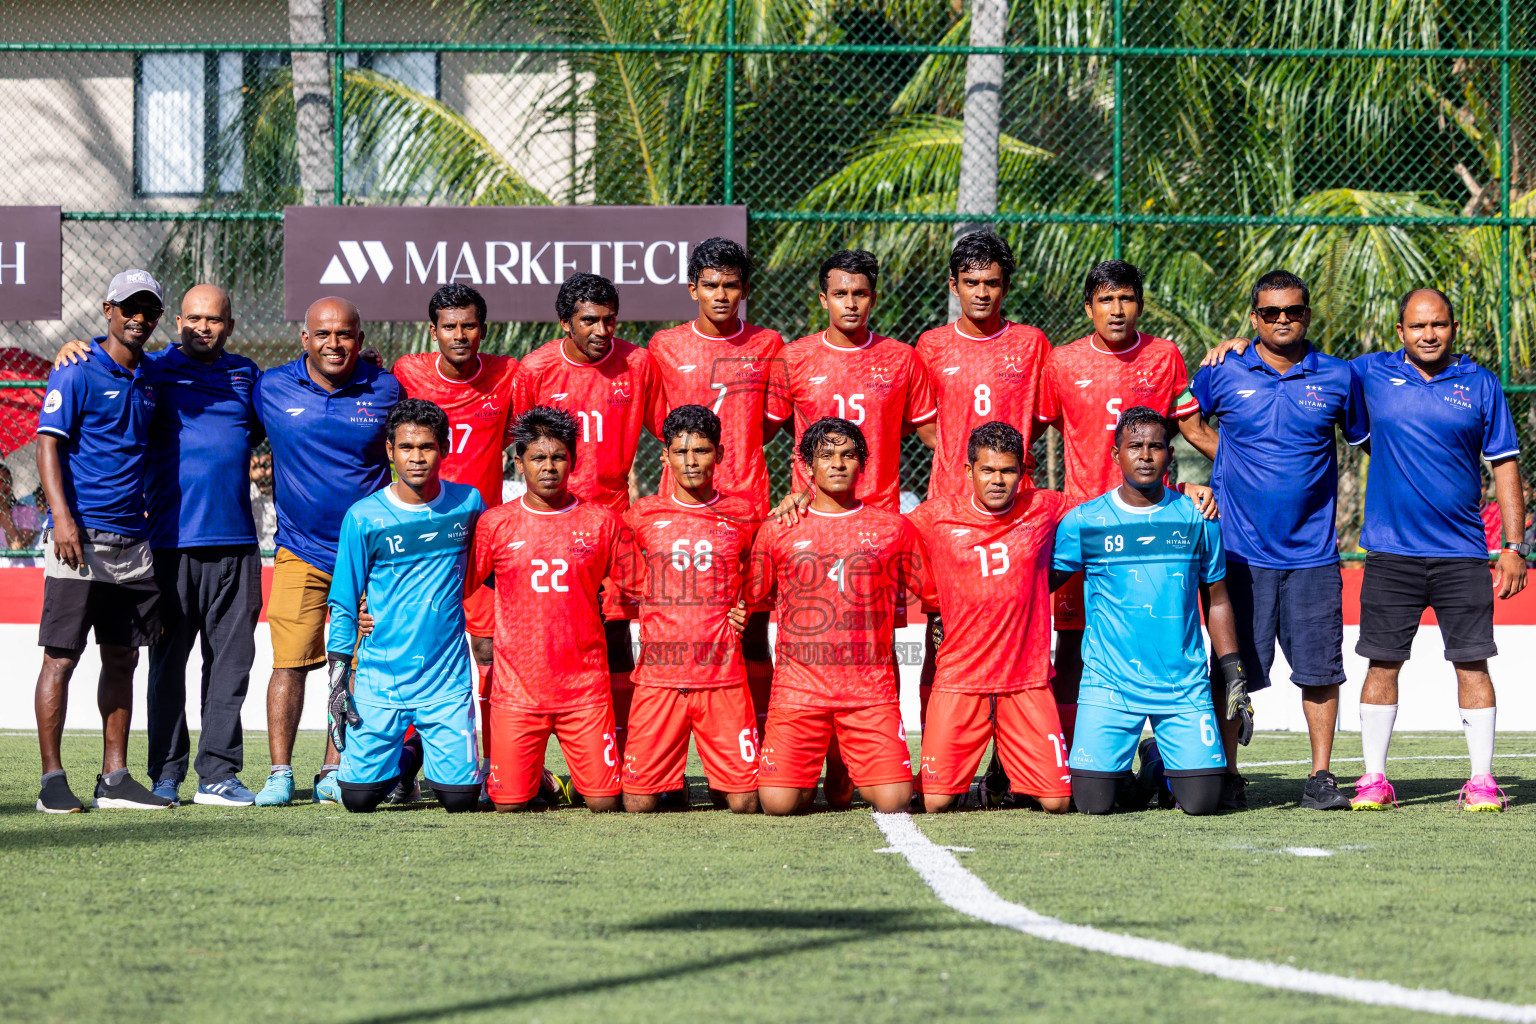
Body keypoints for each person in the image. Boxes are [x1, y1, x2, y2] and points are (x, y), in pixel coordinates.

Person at [51, 285, 268, 807]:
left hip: (238, 543)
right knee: (167, 664)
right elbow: (107, 362)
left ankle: (218, 774)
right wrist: (71, 347)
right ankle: (166, 772)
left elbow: (278, 411)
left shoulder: (248, 375)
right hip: (168, 545)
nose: (202, 327)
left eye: (214, 319)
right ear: (177, 323)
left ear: (230, 325)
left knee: (231, 664)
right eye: (192, 318)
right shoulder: (152, 371)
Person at [1182, 270, 1369, 810]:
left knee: (1320, 670)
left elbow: (1366, 440)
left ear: (1307, 315)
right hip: (1239, 554)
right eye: (1270, 313)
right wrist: (1230, 468)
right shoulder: (1223, 369)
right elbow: (1187, 424)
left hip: (1313, 556)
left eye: (1292, 311)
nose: (1282, 320)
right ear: (1254, 316)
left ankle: (1320, 777)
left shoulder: (1338, 376)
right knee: (1233, 671)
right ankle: (1230, 775)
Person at [1347, 288, 1525, 812]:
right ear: (1399, 332)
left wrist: (1513, 545)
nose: (1429, 334)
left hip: (1463, 554)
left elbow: (1506, 466)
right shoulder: (1368, 375)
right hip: (1390, 553)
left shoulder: (1480, 384)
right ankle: (1374, 779)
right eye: (1418, 326)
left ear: (1453, 328)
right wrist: (1243, 343)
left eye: (1439, 325)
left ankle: (1482, 781)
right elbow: (1299, 359)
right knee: (1382, 663)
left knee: (1472, 664)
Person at [1035, 260, 1208, 774]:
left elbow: (1193, 430)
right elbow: (1031, 437)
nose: (1117, 309)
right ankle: (1072, 755)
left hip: (1154, 527)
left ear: (1139, 303)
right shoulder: (1061, 363)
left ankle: (1166, 750)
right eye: (1106, 300)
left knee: (1162, 634)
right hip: (1083, 529)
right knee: (1071, 641)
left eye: (1126, 298)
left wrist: (1235, 474)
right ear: (1088, 307)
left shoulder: (1165, 356)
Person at [1051, 406, 1242, 816]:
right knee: (1092, 804)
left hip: (1182, 686)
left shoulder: (1198, 516)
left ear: (1170, 456)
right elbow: (1034, 586)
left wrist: (1233, 672)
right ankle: (1140, 768)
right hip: (1109, 684)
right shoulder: (1084, 523)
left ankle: (1157, 763)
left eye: (1156, 446)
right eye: (1134, 446)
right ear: (1115, 453)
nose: (1145, 455)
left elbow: (1219, 600)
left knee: (1203, 803)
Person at [252, 296, 402, 806]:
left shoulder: (386, 388)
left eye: (344, 334)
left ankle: (333, 769)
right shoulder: (270, 387)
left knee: (355, 666)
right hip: (300, 551)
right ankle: (278, 772)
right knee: (289, 664)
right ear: (305, 340)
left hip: (371, 559)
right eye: (323, 334)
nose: (334, 344)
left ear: (360, 339)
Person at [33, 269, 170, 812]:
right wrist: (62, 518)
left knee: (122, 659)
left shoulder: (155, 377)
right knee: (60, 660)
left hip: (134, 544)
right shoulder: (75, 370)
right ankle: (51, 781)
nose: (139, 317)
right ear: (107, 309)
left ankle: (114, 778)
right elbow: (47, 445)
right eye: (129, 307)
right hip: (79, 538)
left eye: (149, 310)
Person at [510, 272, 663, 760]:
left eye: (610, 320)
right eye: (590, 321)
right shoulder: (534, 371)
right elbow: (521, 447)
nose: (603, 330)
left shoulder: (638, 364)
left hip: (612, 521)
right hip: (547, 524)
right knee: (542, 635)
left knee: (616, 635)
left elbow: (667, 433)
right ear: (565, 323)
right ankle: (515, 757)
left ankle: (622, 752)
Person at [647, 238, 788, 735]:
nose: (721, 295)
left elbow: (770, 425)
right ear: (692, 289)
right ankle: (668, 743)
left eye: (731, 286)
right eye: (711, 286)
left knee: (748, 627)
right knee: (681, 623)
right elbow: (660, 426)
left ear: (745, 290)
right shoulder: (664, 347)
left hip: (748, 506)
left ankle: (763, 739)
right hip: (681, 513)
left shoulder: (769, 344)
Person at [747, 417, 920, 815]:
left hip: (867, 693)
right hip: (799, 692)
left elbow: (929, 590)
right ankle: (820, 751)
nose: (838, 464)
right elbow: (750, 597)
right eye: (826, 456)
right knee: (778, 804)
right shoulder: (780, 528)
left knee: (895, 801)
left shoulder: (893, 528)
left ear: (864, 463)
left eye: (848, 455)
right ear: (807, 466)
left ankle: (842, 762)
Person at [324, 399, 485, 814]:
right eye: (407, 448)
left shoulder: (469, 505)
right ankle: (407, 755)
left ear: (444, 449)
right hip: (382, 678)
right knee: (357, 800)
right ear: (390, 451)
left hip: (445, 681)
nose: (417, 458)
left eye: (427, 447)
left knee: (460, 800)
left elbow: (496, 567)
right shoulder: (363, 516)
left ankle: (416, 753)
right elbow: (343, 600)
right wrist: (339, 680)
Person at [906, 421, 1070, 813]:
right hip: (962, 675)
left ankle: (1006, 767)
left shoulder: (1044, 507)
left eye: (1008, 471)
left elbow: (1114, 502)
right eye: (988, 470)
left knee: (1057, 802)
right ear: (968, 471)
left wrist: (1182, 490)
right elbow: (878, 534)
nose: (998, 480)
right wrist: (802, 502)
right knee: (935, 802)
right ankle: (976, 770)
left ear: (1021, 473)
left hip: (1025, 677)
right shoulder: (934, 516)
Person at [391, 283, 518, 786]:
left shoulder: (509, 375)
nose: (460, 335)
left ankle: (493, 763)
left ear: (482, 330)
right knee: (413, 643)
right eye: (450, 326)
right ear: (433, 331)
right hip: (420, 538)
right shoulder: (408, 372)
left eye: (469, 326)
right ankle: (400, 761)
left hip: (479, 540)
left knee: (486, 650)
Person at [469, 406, 624, 812]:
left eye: (558, 457)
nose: (549, 466)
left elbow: (635, 585)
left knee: (604, 803)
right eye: (538, 458)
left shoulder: (601, 522)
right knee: (508, 806)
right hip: (518, 690)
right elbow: (457, 586)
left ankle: (572, 786)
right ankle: (544, 780)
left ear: (573, 461)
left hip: (584, 689)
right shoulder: (495, 524)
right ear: (519, 463)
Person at [620, 404, 760, 813]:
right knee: (638, 805)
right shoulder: (642, 515)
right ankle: (671, 781)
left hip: (722, 676)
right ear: (665, 456)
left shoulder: (743, 513)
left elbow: (760, 570)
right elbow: (625, 574)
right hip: (660, 675)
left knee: (746, 802)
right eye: (680, 452)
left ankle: (719, 781)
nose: (691, 461)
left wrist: (745, 605)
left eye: (700, 451)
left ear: (719, 453)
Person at [779, 251, 937, 515]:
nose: (850, 303)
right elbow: (787, 422)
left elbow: (922, 427)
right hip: (812, 505)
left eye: (860, 294)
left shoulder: (902, 358)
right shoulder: (794, 357)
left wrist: (880, 430)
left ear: (873, 299)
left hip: (879, 506)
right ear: (824, 300)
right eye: (840, 294)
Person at [915, 231, 1051, 497]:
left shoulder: (1032, 343)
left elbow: (1045, 412)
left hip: (1013, 491)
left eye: (991, 283)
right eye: (971, 282)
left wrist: (1013, 451)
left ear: (1006, 286)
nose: (981, 293)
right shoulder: (931, 345)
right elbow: (928, 429)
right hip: (951, 490)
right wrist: (971, 458)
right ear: (954, 286)